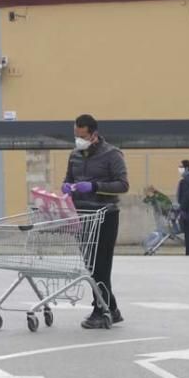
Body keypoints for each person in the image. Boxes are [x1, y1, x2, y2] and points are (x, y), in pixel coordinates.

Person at [61, 113, 129, 329]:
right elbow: (68, 179)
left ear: (94, 135)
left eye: (81, 136)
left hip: (105, 215)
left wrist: (95, 186)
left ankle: (101, 310)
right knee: (91, 266)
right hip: (83, 215)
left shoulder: (112, 154)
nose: (78, 139)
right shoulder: (75, 155)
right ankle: (111, 309)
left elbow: (123, 185)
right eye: (75, 135)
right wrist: (66, 187)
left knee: (101, 266)